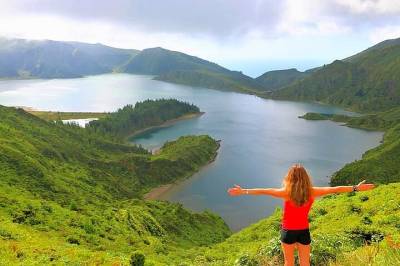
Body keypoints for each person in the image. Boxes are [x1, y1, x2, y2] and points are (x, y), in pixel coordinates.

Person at [227, 163, 375, 266]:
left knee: (288, 263)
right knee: (305, 263)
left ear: (289, 177)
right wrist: (356, 188)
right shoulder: (312, 191)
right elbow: (335, 189)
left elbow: (264, 191)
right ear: (305, 177)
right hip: (303, 231)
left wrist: (243, 191)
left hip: (288, 232)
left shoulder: (286, 193)